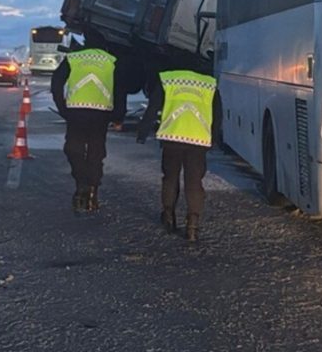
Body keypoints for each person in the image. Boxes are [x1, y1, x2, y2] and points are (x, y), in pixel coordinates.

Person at [137, 66, 222, 241]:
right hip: (198, 140)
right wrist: (212, 139)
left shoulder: (168, 80)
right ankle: (193, 224)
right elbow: (218, 115)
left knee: (170, 177)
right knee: (194, 182)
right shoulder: (209, 84)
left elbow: (153, 107)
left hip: (172, 138)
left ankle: (168, 215)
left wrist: (143, 133)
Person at [51, 30, 117, 215]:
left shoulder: (74, 58)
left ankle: (82, 185)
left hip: (76, 112)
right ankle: (93, 191)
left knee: (73, 149)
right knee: (96, 153)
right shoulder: (111, 60)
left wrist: (61, 106)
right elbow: (119, 88)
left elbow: (56, 82)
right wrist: (118, 114)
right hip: (101, 114)